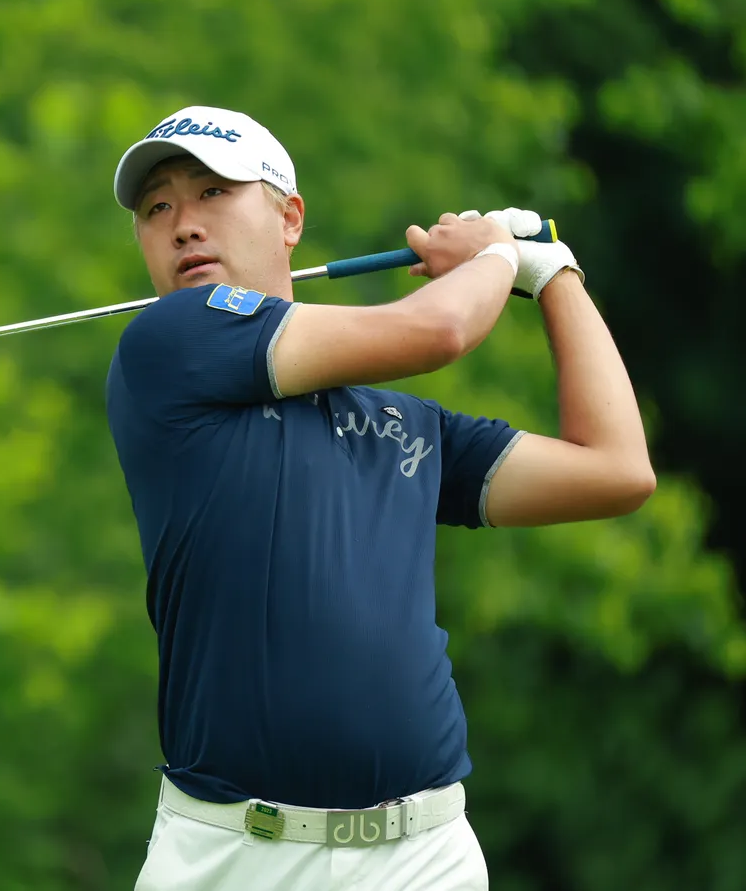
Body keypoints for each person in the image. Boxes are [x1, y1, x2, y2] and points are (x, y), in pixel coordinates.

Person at [104, 105, 656, 891]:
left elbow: (615, 469)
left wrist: (553, 273)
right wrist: (498, 253)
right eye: (157, 207)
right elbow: (438, 332)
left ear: (290, 218)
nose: (184, 223)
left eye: (213, 192)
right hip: (232, 855)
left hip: (423, 855)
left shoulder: (400, 426)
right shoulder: (168, 341)